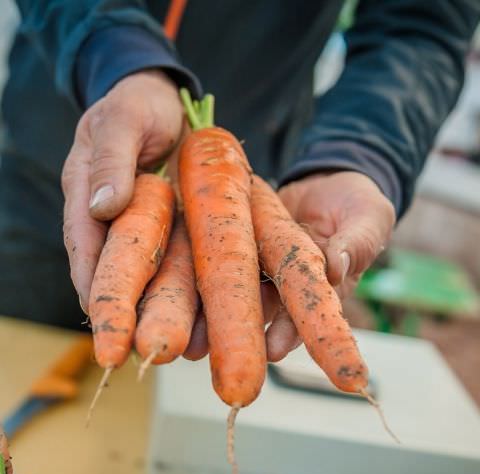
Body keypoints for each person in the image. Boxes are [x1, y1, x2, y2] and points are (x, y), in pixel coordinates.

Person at [0, 1, 478, 360]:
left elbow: (420, 24)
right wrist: (118, 57)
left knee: (170, 412)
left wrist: (359, 152)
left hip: (255, 198)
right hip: (60, 161)